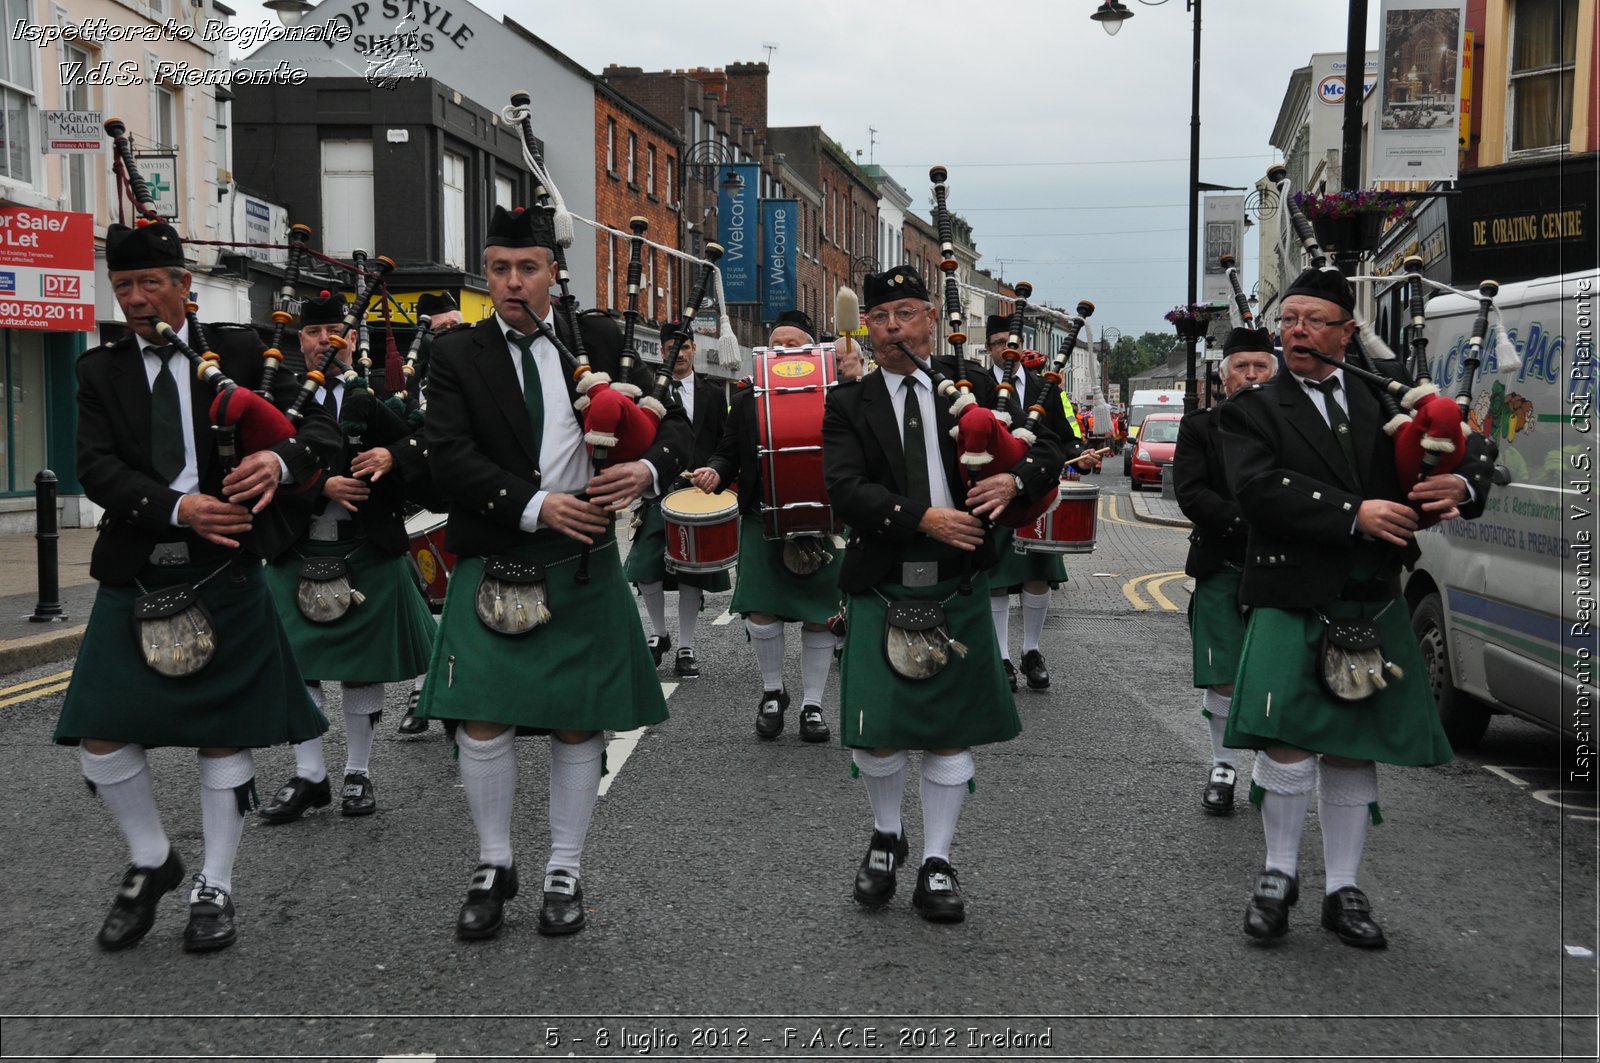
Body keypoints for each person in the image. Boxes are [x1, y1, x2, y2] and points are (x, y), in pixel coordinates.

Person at [56, 221, 338, 952]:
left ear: (186, 285)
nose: (137, 299)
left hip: (226, 567)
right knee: (102, 733)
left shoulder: (246, 353)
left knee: (222, 734)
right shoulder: (99, 371)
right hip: (141, 561)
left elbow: (315, 440)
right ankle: (152, 857)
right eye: (123, 287)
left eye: (151, 283)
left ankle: (216, 880)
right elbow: (95, 468)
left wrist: (277, 464)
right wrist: (177, 505)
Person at [414, 204, 690, 940]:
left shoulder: (599, 339)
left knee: (577, 721)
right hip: (502, 547)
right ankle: (492, 861)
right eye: (498, 267)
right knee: (482, 716)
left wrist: (643, 468)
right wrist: (537, 506)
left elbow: (683, 427)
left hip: (581, 566)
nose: (511, 281)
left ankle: (564, 867)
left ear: (551, 272)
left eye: (526, 267)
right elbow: (448, 456)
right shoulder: (458, 355)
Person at [1217, 267, 1494, 948]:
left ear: (1347, 330)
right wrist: (1353, 513)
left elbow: (1472, 444)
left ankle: (1344, 887)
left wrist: (1460, 477)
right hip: (1291, 593)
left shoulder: (1385, 400)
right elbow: (1257, 490)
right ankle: (1277, 876)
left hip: (1370, 598)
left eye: (1314, 319)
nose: (1297, 331)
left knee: (1350, 750)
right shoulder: (1252, 407)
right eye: (1288, 320)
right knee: (1288, 746)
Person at [822, 266, 1060, 924]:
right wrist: (921, 517)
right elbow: (843, 488)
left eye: (905, 312)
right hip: (882, 574)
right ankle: (887, 833)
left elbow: (1051, 450)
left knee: (949, 734)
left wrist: (1014, 484)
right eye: (880, 317)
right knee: (876, 735)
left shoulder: (977, 386)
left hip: (957, 579)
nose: (892, 326)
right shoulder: (848, 403)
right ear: (866, 329)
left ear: (931, 318)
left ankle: (937, 860)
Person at [258, 291, 438, 821]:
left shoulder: (373, 400)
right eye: (312, 334)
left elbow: (423, 446)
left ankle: (358, 773)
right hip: (297, 545)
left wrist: (393, 454)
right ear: (300, 341)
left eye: (332, 332)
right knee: (300, 667)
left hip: (365, 548)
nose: (321, 342)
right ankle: (310, 774)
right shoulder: (280, 402)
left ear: (351, 339)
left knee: (360, 670)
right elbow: (249, 470)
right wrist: (319, 487)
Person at [688, 310, 839, 742]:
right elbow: (728, 448)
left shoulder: (833, 392)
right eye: (777, 344)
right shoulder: (750, 396)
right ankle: (773, 692)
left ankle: (813, 704)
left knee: (820, 615)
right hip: (764, 513)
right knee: (760, 609)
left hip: (819, 515)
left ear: (811, 351)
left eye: (794, 343)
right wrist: (716, 472)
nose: (785, 350)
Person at [1173, 327, 1277, 814]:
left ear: (1275, 372)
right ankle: (1222, 766)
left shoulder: (1290, 426)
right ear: (1223, 374)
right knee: (1223, 673)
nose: (1251, 375)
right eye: (1242, 366)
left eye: (1261, 366)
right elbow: (1192, 494)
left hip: (1281, 569)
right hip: (1223, 561)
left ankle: (1263, 766)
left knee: (1271, 671)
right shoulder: (1200, 427)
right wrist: (1251, 525)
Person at [969, 315, 1100, 692]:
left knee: (1036, 574)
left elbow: (1066, 436)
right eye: (996, 343)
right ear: (989, 348)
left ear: (1021, 346)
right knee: (995, 578)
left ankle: (1031, 651)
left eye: (1010, 343)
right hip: (990, 493)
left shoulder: (1048, 387)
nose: (1004, 350)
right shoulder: (977, 387)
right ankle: (1002, 657)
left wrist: (1082, 455)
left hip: (1036, 491)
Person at [623, 322, 730, 679]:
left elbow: (722, 442)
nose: (678, 353)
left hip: (698, 495)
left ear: (694, 350)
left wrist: (716, 473)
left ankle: (686, 646)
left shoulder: (714, 393)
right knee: (646, 570)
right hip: (660, 490)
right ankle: (659, 633)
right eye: (671, 347)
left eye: (684, 347)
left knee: (690, 573)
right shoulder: (651, 390)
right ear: (663, 351)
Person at [397, 289, 465, 737]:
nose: (446, 338)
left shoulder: (479, 368)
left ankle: (463, 690)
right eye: (437, 332)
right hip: (420, 501)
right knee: (424, 601)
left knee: (465, 602)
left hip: (467, 496)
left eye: (454, 329)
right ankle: (422, 689)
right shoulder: (409, 376)